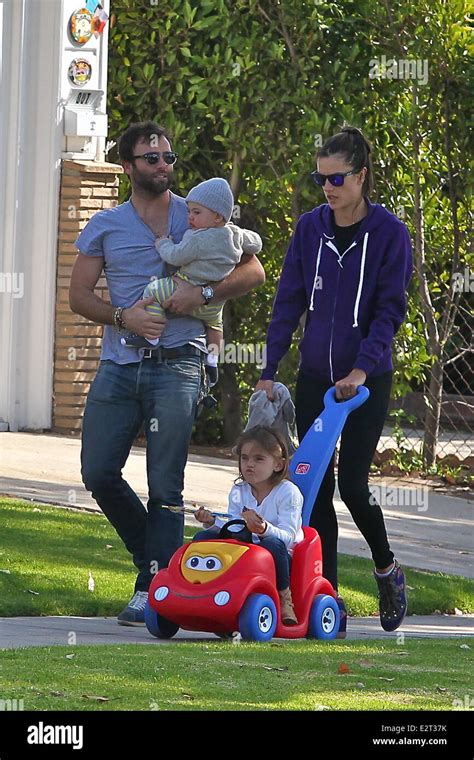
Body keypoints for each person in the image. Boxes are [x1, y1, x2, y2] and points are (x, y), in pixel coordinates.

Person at [69, 121, 265, 626]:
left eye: (168, 157)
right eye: (151, 158)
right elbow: (79, 295)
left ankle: (153, 586)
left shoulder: (198, 214)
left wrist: (201, 296)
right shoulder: (106, 224)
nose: (163, 165)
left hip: (178, 363)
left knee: (165, 486)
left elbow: (253, 271)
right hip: (118, 365)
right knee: (97, 471)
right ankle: (155, 562)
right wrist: (122, 316)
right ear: (129, 166)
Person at [255, 126, 413, 634]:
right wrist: (269, 368)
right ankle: (330, 600)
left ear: (361, 176)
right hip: (315, 378)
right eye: (321, 178)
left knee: (353, 484)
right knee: (313, 489)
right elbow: (289, 300)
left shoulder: (390, 235)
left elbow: (389, 311)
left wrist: (363, 368)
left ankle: (387, 569)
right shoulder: (309, 229)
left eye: (337, 178)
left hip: (365, 380)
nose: (328, 187)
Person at [121, 177, 263, 386]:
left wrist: (163, 243)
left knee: (153, 291)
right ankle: (213, 361)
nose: (190, 218)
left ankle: (151, 337)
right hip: (213, 300)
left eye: (197, 213)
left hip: (183, 286)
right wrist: (241, 235)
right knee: (215, 327)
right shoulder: (235, 234)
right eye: (189, 212)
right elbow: (257, 243)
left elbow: (175, 257)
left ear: (217, 217)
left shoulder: (197, 238)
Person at [194, 426, 304, 625]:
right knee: (202, 540)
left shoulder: (289, 493)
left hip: (279, 552)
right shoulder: (239, 490)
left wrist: (263, 529)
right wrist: (211, 522)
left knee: (272, 543)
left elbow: (288, 536)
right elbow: (234, 525)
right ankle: (200, 591)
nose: (249, 465)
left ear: (278, 465)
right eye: (244, 458)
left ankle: (284, 598)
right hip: (246, 546)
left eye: (258, 459)